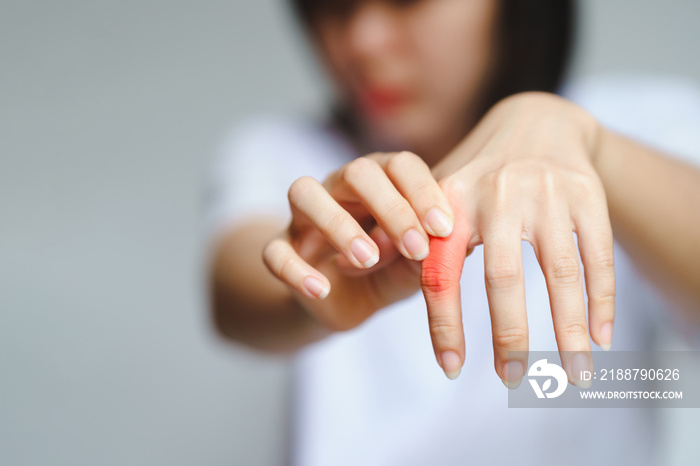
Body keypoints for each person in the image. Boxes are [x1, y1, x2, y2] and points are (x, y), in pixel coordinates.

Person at [205, 1, 700, 464]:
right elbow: (236, 287)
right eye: (332, 6)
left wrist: (583, 140)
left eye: (408, 1)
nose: (363, 41)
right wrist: (304, 292)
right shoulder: (283, 153)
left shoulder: (644, 124)